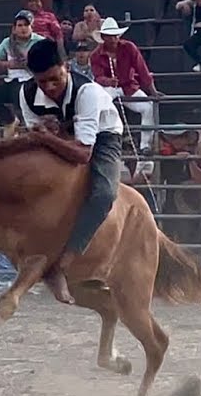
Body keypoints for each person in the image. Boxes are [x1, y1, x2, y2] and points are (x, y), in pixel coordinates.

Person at [19, 38, 124, 305]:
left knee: (103, 194)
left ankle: (62, 265)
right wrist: (48, 135)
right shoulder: (26, 94)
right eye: (42, 82)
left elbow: (82, 154)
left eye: (55, 79)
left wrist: (48, 135)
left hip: (103, 137)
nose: (50, 87)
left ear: (65, 66)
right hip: (61, 135)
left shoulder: (87, 91)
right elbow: (34, 135)